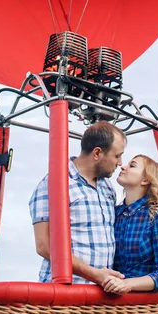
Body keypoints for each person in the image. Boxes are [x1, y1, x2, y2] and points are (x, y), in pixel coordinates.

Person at [29, 121, 127, 285]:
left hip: (101, 294)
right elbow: (44, 245)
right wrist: (94, 275)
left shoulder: (107, 187)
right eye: (117, 155)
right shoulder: (53, 184)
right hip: (66, 293)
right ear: (97, 153)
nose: (120, 162)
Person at [103, 155, 158, 294]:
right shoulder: (114, 213)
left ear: (145, 180)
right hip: (108, 300)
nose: (123, 166)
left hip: (141, 304)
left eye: (132, 165)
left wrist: (126, 283)